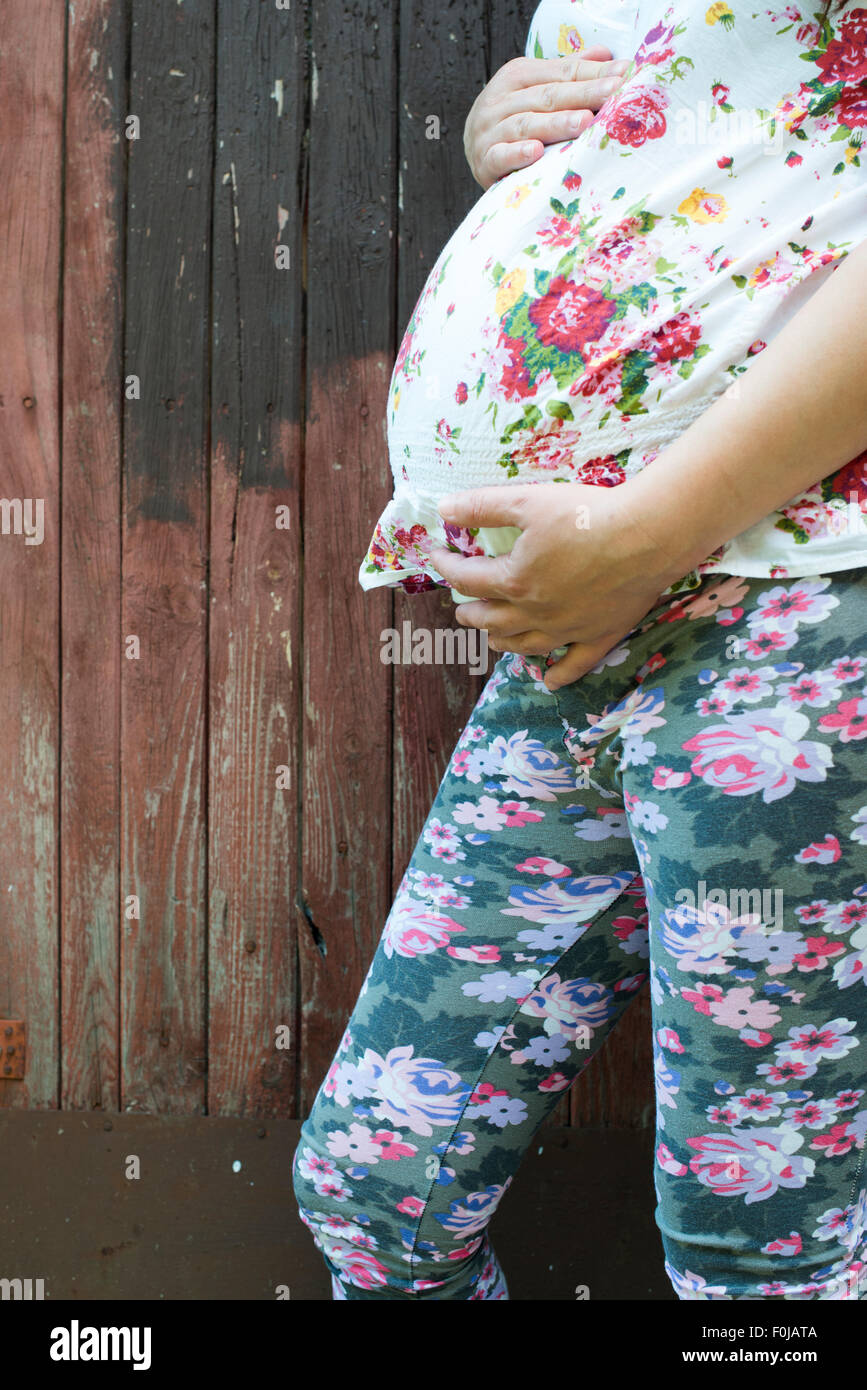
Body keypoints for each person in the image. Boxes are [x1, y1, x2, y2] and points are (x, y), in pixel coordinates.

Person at [292, 0, 867, 1299]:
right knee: (382, 1184)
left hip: (797, 604)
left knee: (758, 1255)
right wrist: (522, 131)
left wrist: (652, 525)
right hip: (585, 647)